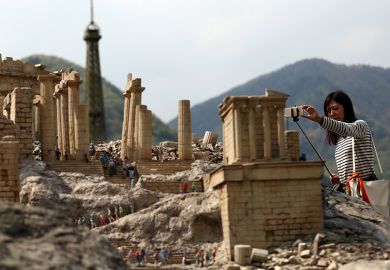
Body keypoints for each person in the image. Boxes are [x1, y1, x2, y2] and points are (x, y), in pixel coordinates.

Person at [301, 90, 375, 191]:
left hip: (366, 189)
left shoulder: (360, 125)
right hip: (351, 191)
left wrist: (319, 119)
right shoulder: (340, 140)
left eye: (335, 108)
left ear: (346, 108)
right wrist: (341, 179)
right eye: (328, 110)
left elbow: (346, 128)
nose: (331, 113)